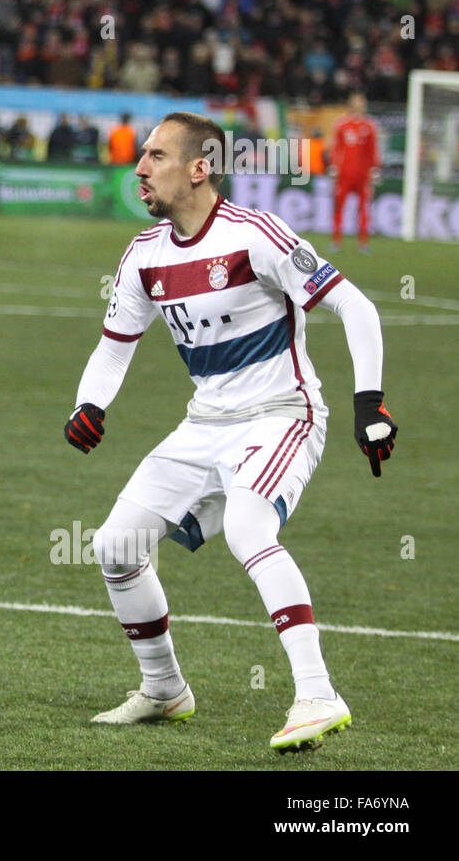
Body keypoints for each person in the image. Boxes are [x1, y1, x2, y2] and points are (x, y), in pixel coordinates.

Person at [64, 111, 397, 752]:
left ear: (199, 167)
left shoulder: (256, 235)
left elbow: (356, 305)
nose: (139, 167)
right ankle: (164, 690)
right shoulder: (143, 255)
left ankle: (317, 693)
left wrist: (370, 405)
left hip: (281, 417)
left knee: (248, 527)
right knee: (114, 546)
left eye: (156, 156)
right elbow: (113, 347)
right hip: (204, 424)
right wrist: (91, 404)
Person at [328, 92, 379, 253]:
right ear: (351, 103)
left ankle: (363, 242)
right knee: (339, 206)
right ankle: (336, 240)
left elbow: (373, 150)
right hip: (344, 174)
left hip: (363, 175)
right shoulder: (342, 124)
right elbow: (336, 147)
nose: (360, 104)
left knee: (364, 208)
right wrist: (334, 166)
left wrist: (374, 168)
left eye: (362, 102)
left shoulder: (369, 126)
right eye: (357, 102)